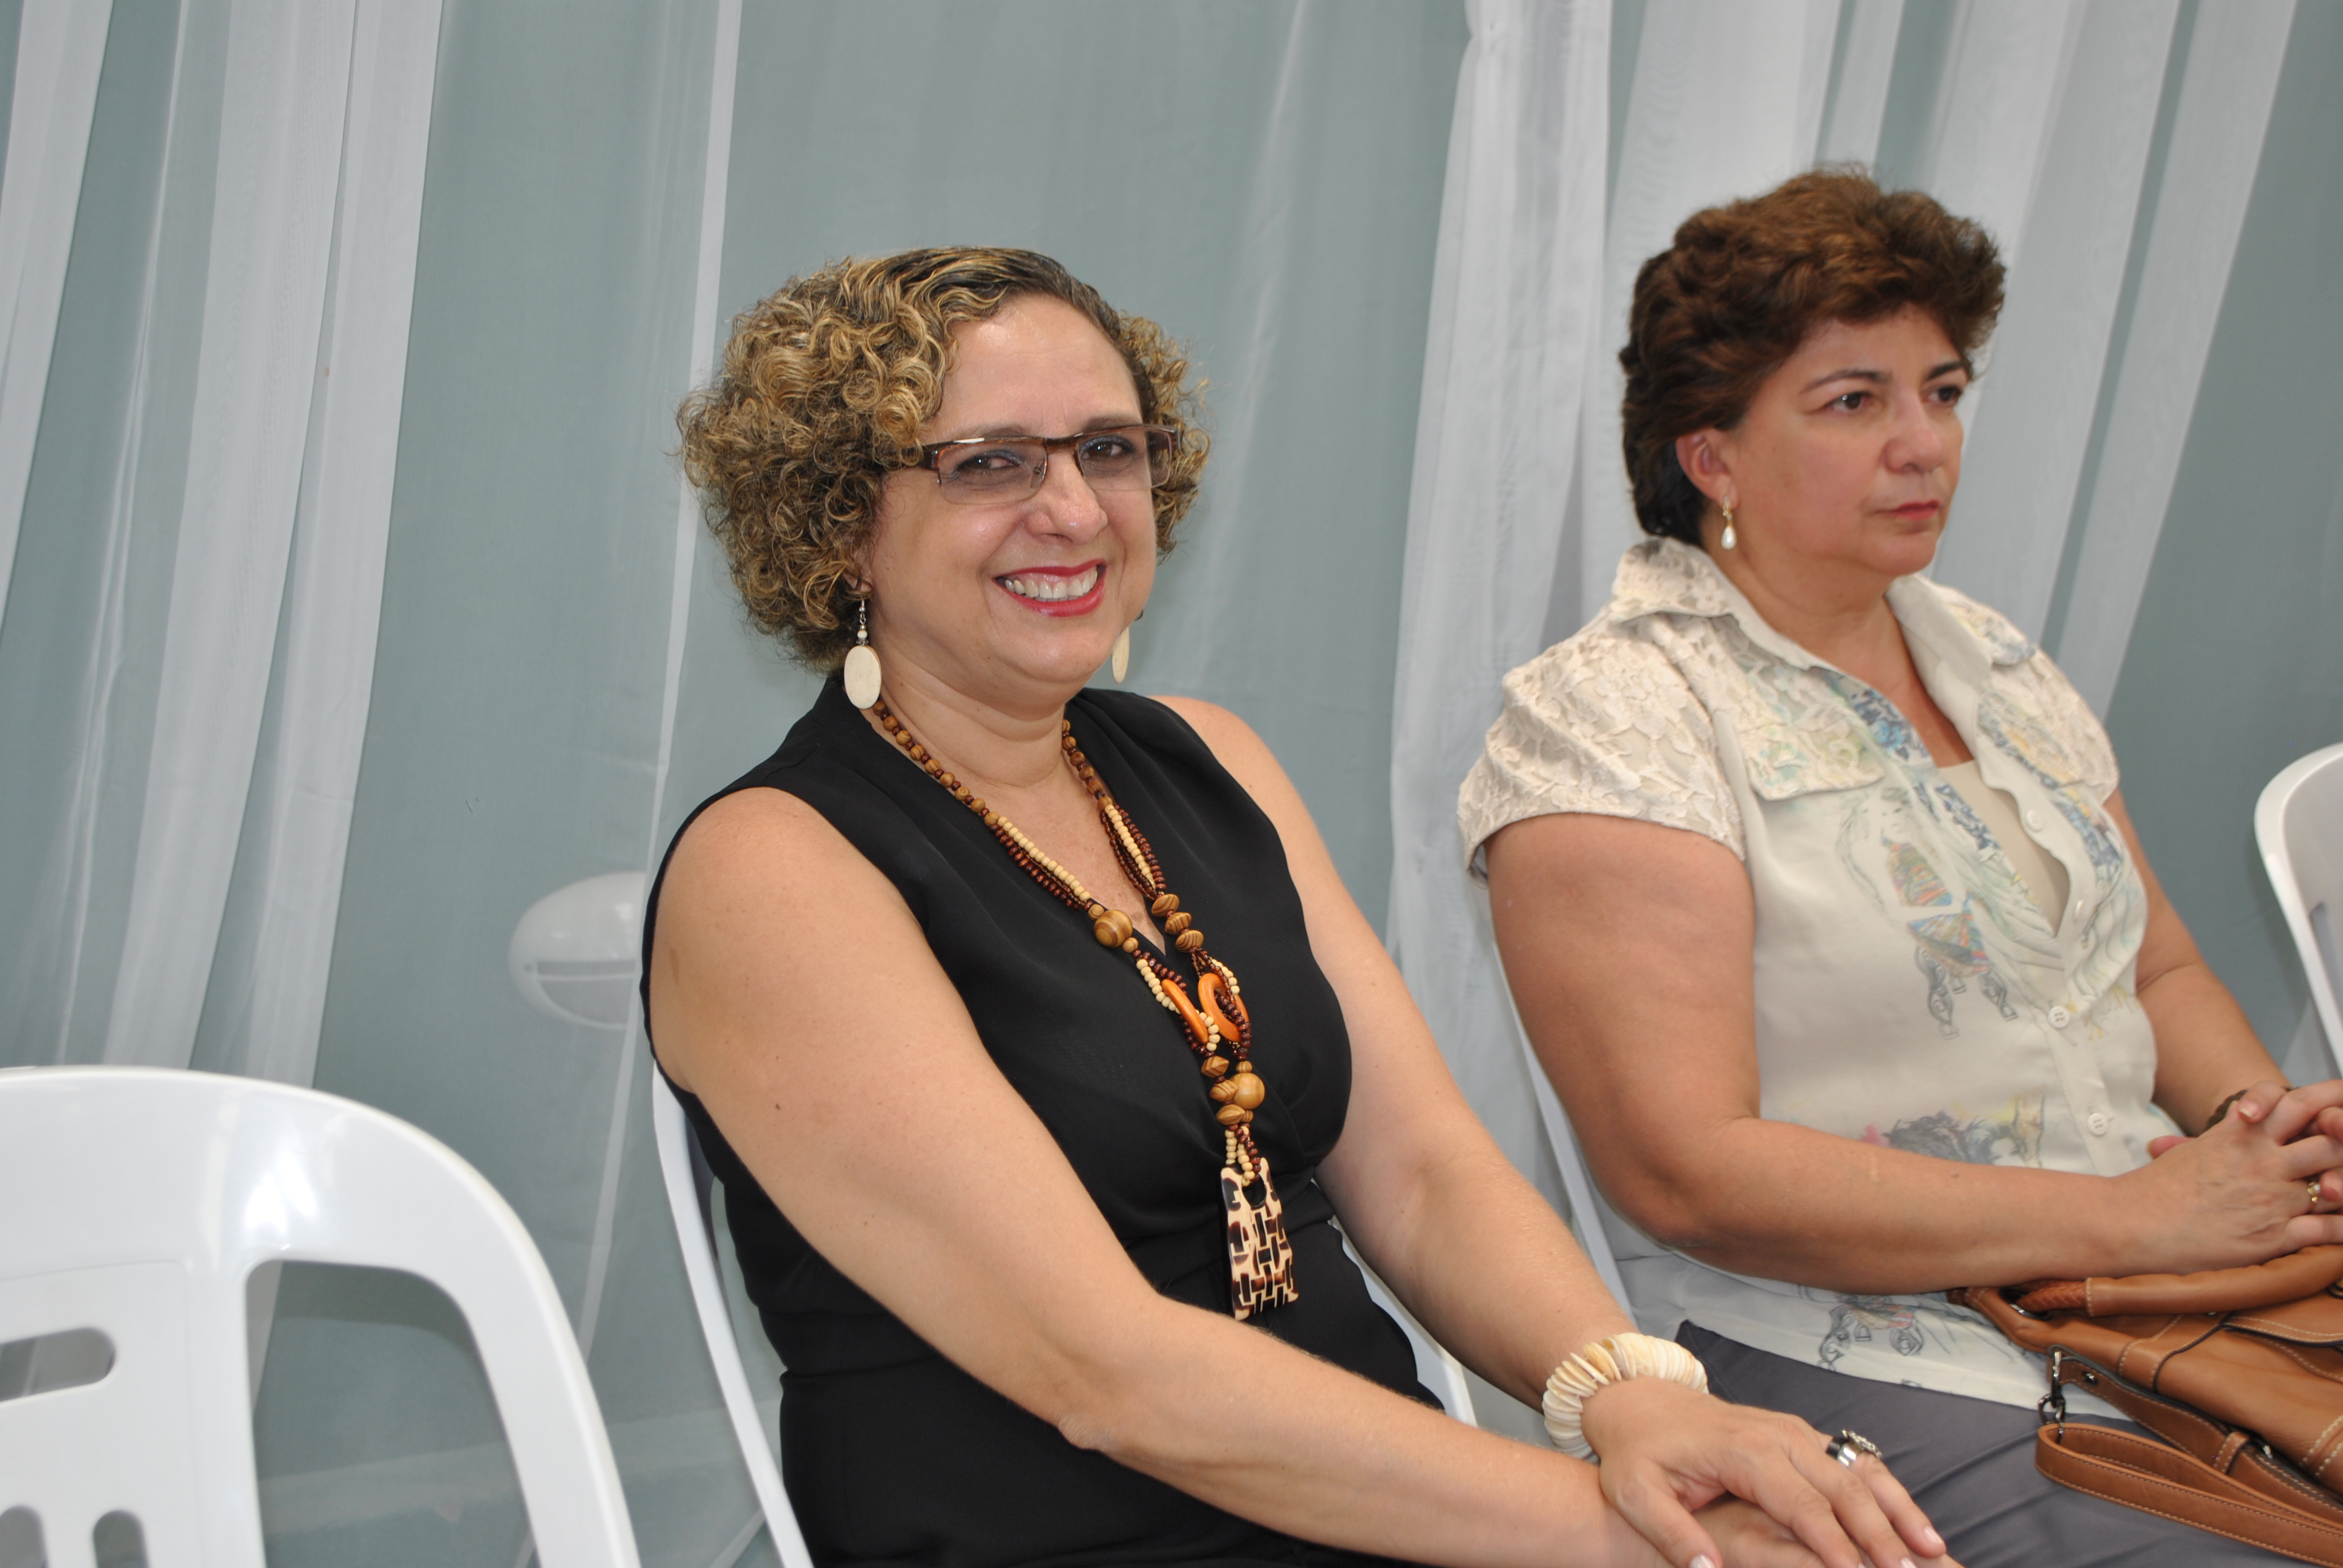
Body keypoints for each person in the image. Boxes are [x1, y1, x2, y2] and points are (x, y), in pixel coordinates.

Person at [647, 247, 1954, 1568]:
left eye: (1108, 450)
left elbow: (1426, 1177)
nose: (1076, 509)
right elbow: (1110, 1375)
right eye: (990, 463)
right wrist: (1658, 1543)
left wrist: (1636, 1402)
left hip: (1386, 1517)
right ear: (837, 522)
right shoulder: (771, 873)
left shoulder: (1210, 759)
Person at [1464, 169, 2343, 1567]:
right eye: (1851, 402)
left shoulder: (1991, 659)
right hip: (1854, 1342)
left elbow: (2155, 969)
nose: (1922, 444)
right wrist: (2130, 1220)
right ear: (1711, 458)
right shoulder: (1611, 719)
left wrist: (2269, 1141)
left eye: (1940, 392)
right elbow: (1688, 1173)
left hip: (2161, 1288)